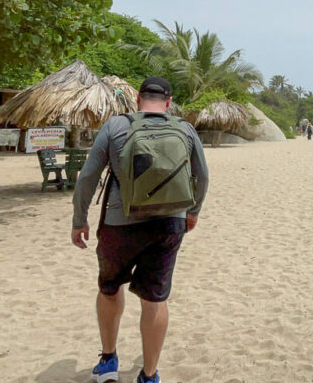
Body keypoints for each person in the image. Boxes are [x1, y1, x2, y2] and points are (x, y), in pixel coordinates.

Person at [71, 77, 209, 383]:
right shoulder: (184, 129)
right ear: (169, 102)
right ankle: (149, 374)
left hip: (120, 224)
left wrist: (79, 219)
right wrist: (193, 212)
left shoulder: (115, 126)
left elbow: (88, 177)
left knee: (109, 290)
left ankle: (108, 361)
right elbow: (203, 175)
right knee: (155, 299)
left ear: (137, 98)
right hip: (169, 223)